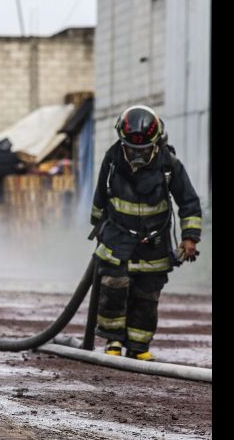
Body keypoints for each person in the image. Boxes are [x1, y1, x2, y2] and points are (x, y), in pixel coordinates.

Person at [91, 105, 201, 361]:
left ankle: (139, 347)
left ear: (156, 142)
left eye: (142, 150)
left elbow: (189, 202)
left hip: (154, 242)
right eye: (131, 149)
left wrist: (190, 238)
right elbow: (100, 197)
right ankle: (113, 342)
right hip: (117, 238)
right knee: (113, 287)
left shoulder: (169, 164)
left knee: (147, 296)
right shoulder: (112, 159)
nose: (136, 155)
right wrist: (97, 226)